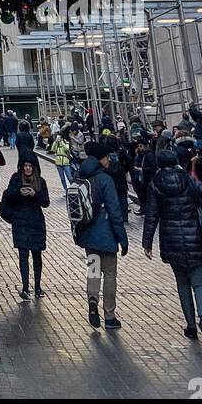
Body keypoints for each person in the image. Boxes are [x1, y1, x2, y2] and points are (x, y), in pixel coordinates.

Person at [143, 147, 202, 347]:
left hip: (172, 241)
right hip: (196, 236)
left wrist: (147, 242)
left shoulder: (156, 184)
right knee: (200, 283)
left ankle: (190, 326)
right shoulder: (189, 179)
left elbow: (151, 215)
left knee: (182, 284)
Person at [72, 142, 128, 331]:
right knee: (110, 274)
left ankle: (93, 301)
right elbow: (114, 211)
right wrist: (122, 238)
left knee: (94, 270)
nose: (109, 160)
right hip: (106, 236)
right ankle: (110, 316)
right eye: (106, 157)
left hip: (88, 234)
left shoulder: (80, 175)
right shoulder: (105, 179)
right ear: (100, 158)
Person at [0, 156, 50, 299]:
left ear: (34, 167)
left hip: (36, 222)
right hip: (20, 222)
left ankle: (38, 287)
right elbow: (8, 196)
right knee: (23, 255)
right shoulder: (16, 179)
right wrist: (19, 192)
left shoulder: (40, 181)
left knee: (37, 255)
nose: (27, 168)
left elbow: (46, 202)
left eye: (30, 166)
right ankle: (25, 287)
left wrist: (35, 194)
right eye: (25, 165)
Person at [131, 135, 156, 216]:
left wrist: (142, 169)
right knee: (141, 195)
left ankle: (145, 209)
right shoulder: (139, 154)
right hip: (139, 178)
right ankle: (143, 208)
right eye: (138, 146)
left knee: (145, 195)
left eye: (141, 146)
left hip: (146, 178)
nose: (139, 148)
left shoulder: (149, 155)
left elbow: (153, 167)